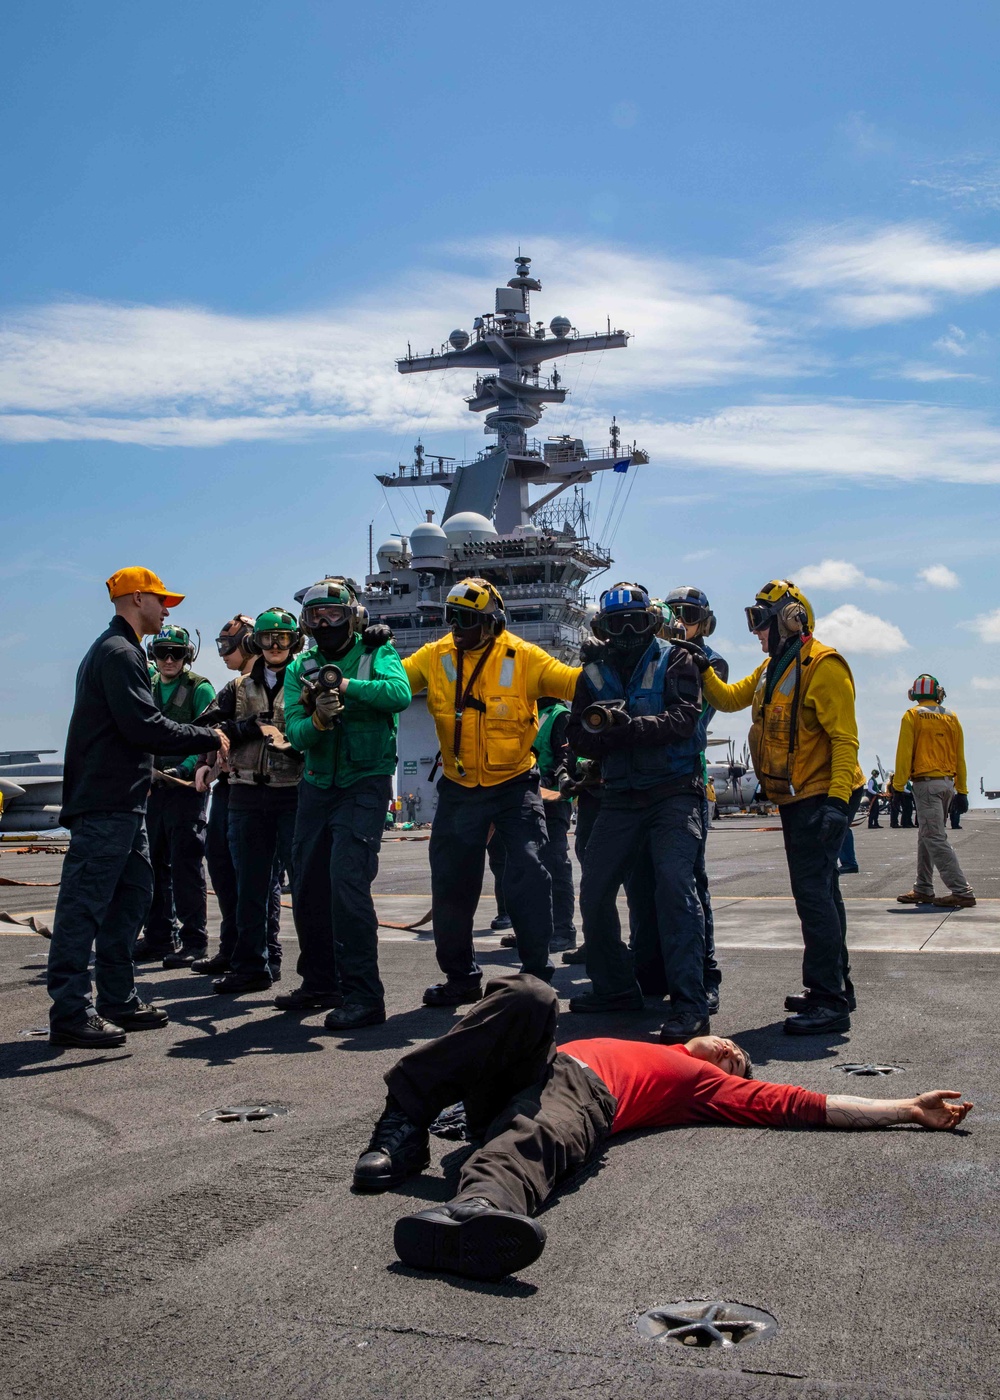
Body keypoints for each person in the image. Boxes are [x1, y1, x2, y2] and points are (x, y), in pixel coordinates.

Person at [352, 975, 973, 1281]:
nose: (730, 1047)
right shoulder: (648, 1039)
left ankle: (473, 1213)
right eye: (727, 1044)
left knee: (542, 1130)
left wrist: (905, 1108)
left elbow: (807, 1103)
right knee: (531, 997)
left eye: (737, 1057)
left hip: (582, 1094)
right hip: (536, 1066)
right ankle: (403, 1124)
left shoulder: (705, 1085)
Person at [47, 568, 227, 1048]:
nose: (167, 611)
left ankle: (118, 998)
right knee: (83, 908)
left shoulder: (118, 652)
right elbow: (145, 727)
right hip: (106, 805)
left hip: (127, 803)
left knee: (130, 902)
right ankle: (69, 1011)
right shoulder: (119, 654)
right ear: (137, 598)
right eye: (161, 601)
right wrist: (211, 735)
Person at [677, 580, 864, 1035]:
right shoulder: (770, 670)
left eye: (761, 621)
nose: (756, 632)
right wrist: (700, 666)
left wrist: (838, 806)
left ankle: (829, 1000)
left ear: (790, 619)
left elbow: (845, 741)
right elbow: (726, 698)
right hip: (799, 797)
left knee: (815, 897)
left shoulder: (824, 665)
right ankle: (835, 988)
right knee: (821, 894)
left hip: (822, 795)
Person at [401, 578, 580, 1007]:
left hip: (514, 784)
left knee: (529, 870)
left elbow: (572, 682)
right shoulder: (436, 654)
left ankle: (536, 973)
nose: (456, 627)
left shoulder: (525, 657)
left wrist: (600, 662)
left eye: (467, 620)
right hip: (460, 787)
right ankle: (461, 978)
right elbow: (393, 683)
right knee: (450, 882)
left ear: (494, 623)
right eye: (451, 618)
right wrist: (374, 653)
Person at [566, 584, 705, 1038]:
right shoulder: (591, 674)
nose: (627, 632)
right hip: (620, 797)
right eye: (616, 624)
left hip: (673, 793)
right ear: (603, 629)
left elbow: (686, 720)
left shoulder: (677, 659)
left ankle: (690, 1003)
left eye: (637, 622)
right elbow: (579, 736)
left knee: (674, 886)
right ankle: (615, 987)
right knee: (595, 890)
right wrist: (604, 733)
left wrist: (633, 725)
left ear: (651, 621)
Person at [280, 577, 410, 1029]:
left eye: (333, 615)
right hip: (316, 785)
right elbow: (294, 734)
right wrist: (317, 718)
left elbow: (398, 694)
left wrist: (347, 686)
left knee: (346, 884)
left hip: (364, 783)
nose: (324, 623)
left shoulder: (377, 653)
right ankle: (320, 983)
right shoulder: (301, 666)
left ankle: (364, 996)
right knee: (308, 885)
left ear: (352, 615)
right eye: (315, 617)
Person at [627, 588, 729, 1017]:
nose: (683, 619)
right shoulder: (653, 656)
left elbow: (694, 719)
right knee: (641, 883)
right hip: (641, 785)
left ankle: (705, 974)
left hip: (686, 782)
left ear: (705, 621)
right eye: (677, 614)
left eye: (691, 614)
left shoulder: (709, 663)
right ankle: (651, 970)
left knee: (689, 883)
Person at [193, 608, 305, 994]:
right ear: (257, 643)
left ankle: (315, 975)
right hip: (244, 794)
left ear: (295, 642)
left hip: (292, 793)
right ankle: (252, 965)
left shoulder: (306, 680)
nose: (275, 645)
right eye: (269, 638)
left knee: (304, 887)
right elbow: (205, 726)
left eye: (283, 639)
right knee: (250, 887)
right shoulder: (238, 689)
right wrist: (245, 728)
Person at [132, 625, 216, 967]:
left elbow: (209, 733)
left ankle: (195, 940)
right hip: (153, 789)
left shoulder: (199, 688)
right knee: (152, 866)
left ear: (187, 656)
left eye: (176, 653)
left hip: (185, 790)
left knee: (185, 865)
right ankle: (158, 938)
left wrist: (182, 770)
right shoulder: (146, 685)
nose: (169, 659)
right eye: (163, 652)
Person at [494, 694, 579, 955]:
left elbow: (566, 756)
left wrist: (544, 780)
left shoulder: (557, 715)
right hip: (522, 800)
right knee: (523, 866)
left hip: (551, 801)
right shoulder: (525, 709)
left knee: (554, 863)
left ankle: (563, 932)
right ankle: (531, 930)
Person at [894, 675, 974, 908]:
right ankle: (923, 888)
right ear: (938, 693)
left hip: (926, 784)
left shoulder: (912, 715)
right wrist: (963, 791)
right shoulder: (951, 716)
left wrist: (898, 787)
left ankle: (961, 890)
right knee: (925, 836)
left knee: (933, 837)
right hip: (948, 784)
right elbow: (960, 756)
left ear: (914, 694)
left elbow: (904, 753)